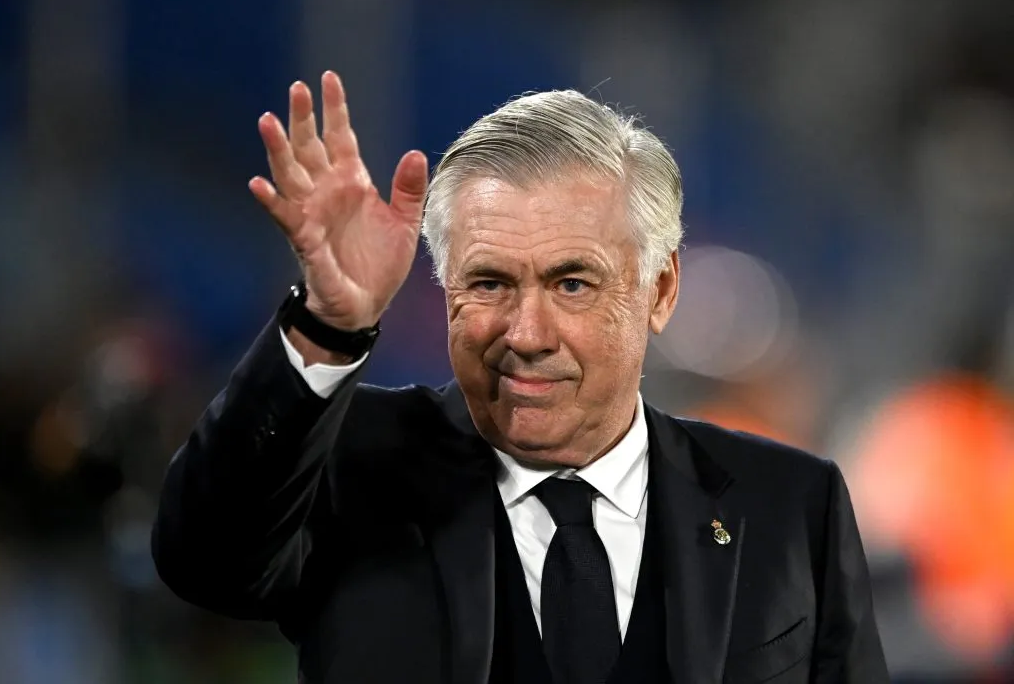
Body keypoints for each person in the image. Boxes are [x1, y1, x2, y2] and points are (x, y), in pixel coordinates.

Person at [151, 71, 888, 684]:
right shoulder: (351, 462)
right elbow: (204, 560)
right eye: (491, 283)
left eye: (573, 284)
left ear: (660, 292)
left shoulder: (794, 506)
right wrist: (329, 322)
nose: (526, 335)